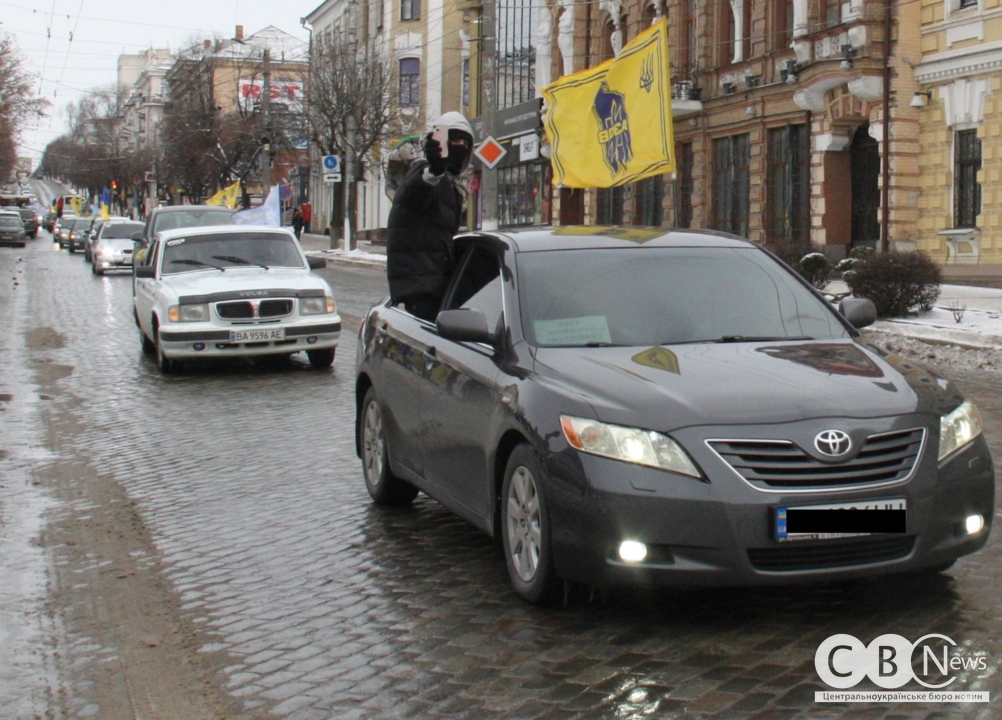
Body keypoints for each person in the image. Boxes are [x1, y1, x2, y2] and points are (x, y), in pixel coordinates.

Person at [386, 111, 475, 321]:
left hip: (433, 287)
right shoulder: (424, 172)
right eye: (453, 140)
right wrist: (433, 172)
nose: (459, 147)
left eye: (464, 143)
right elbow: (413, 195)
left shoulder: (453, 186)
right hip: (421, 290)